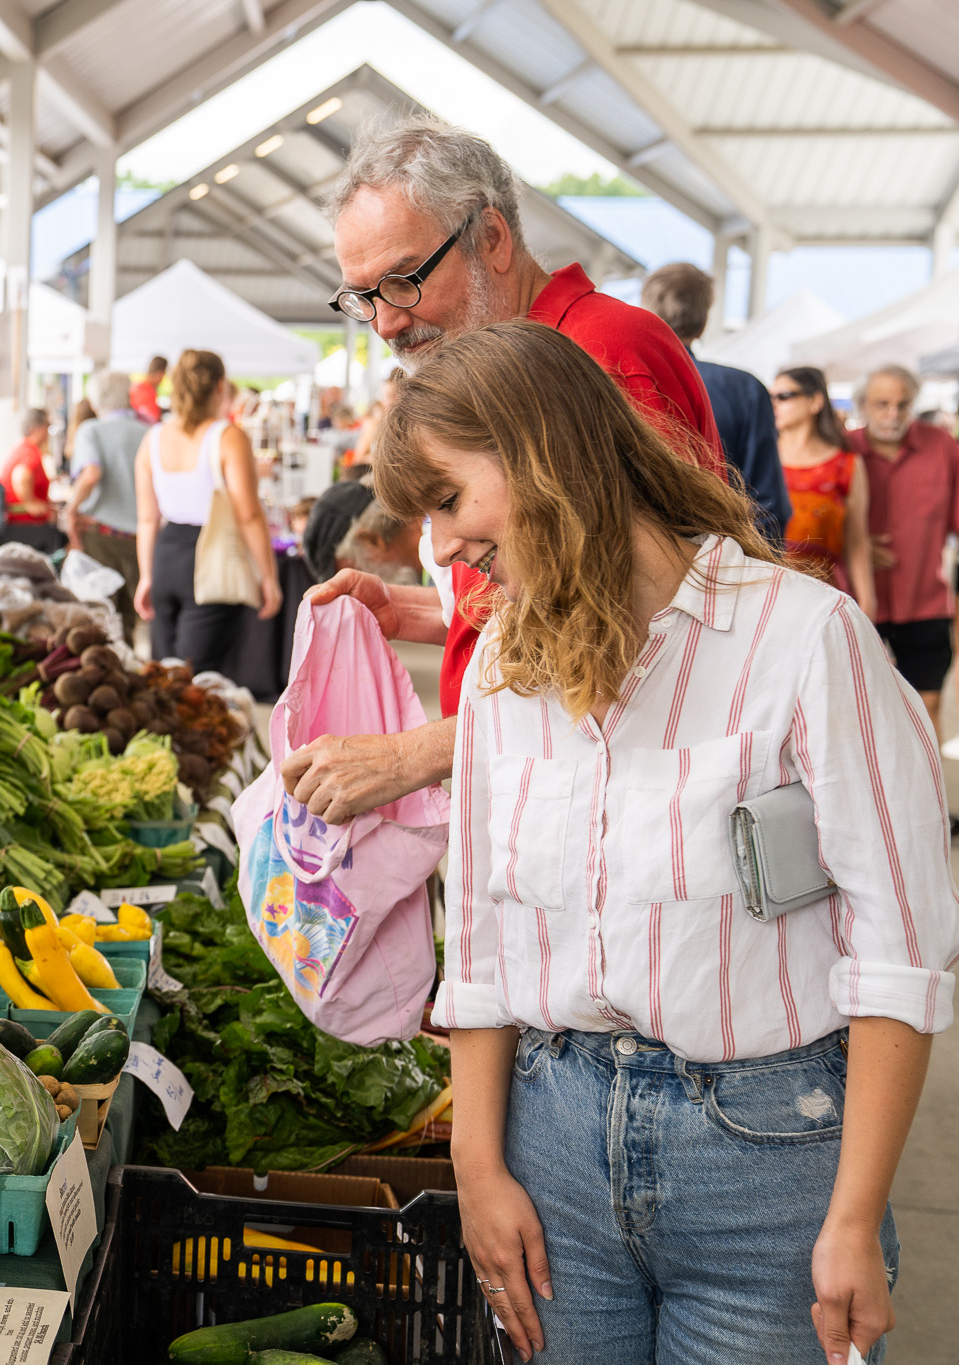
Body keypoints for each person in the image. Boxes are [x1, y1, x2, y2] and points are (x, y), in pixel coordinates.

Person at [373, 319, 951, 1365]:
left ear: (540, 455)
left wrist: (853, 1215)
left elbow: (899, 957)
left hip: (767, 1170)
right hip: (550, 1158)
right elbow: (484, 949)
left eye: (449, 499)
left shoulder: (802, 641)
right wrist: (476, 1167)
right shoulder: (508, 663)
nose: (447, 545)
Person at [283, 112, 724, 826]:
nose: (385, 323)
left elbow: (644, 637)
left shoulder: (602, 353)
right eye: (363, 297)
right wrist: (429, 611)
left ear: (491, 238)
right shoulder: (493, 367)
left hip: (609, 812)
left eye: (401, 282)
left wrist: (411, 755)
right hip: (533, 793)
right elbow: (556, 593)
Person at [134, 349, 281, 670]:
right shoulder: (227, 436)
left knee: (162, 675)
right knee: (199, 678)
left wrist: (146, 575)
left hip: (165, 555)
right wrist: (268, 576)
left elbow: (147, 519)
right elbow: (249, 514)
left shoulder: (153, 438)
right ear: (219, 387)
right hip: (210, 557)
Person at [640, 261, 791, 542]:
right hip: (724, 563)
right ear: (703, 323)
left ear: (647, 312)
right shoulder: (745, 389)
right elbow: (768, 504)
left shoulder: (615, 381)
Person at [850, 364, 959, 739]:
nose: (892, 414)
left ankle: (925, 794)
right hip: (857, 602)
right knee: (860, 710)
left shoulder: (942, 446)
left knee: (926, 708)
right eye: (882, 404)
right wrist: (859, 546)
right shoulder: (844, 450)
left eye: (902, 404)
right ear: (863, 404)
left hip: (924, 601)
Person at [773, 366, 876, 614]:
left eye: (783, 396)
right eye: (770, 396)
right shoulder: (761, 456)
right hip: (767, 594)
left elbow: (856, 542)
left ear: (815, 401)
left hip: (822, 597)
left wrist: (868, 602)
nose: (773, 403)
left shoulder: (845, 466)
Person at [65, 370, 145, 639]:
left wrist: (71, 508)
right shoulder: (150, 430)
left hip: (101, 536)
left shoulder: (91, 431)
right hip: (140, 540)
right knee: (130, 621)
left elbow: (91, 474)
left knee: (100, 618)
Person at [0, 407, 64, 554]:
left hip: (15, 527)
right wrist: (31, 504)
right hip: (27, 528)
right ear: (37, 428)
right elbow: (20, 475)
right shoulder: (29, 452)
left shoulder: (19, 448)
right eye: (47, 427)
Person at [129, 354, 166, 423]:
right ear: (160, 373)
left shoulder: (138, 386)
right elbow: (153, 417)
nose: (162, 379)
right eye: (163, 375)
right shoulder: (145, 390)